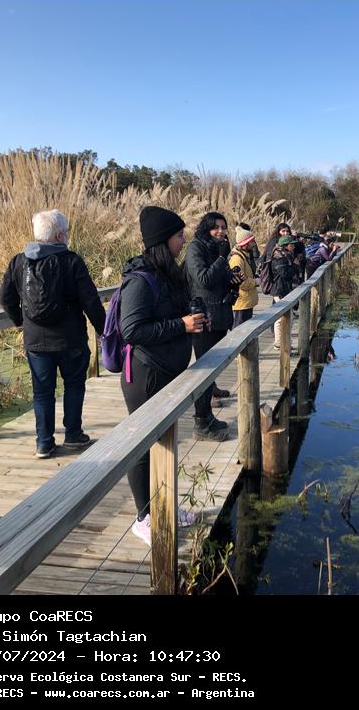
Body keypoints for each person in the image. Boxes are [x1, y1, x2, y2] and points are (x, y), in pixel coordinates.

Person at [117, 206, 205, 545]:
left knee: (164, 443)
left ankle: (164, 505)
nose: (184, 240)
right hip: (145, 375)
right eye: (179, 235)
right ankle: (144, 517)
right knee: (142, 447)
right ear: (163, 240)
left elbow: (171, 316)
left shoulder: (168, 273)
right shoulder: (140, 279)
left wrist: (193, 320)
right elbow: (132, 330)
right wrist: (181, 325)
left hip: (167, 372)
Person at [0, 209, 106, 458]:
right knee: (74, 385)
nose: (67, 235)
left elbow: (5, 298)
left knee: (42, 392)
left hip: (36, 341)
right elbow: (90, 301)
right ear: (59, 235)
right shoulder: (72, 261)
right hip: (71, 339)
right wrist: (104, 331)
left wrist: (21, 322)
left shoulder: (19, 261)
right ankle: (73, 435)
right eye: (66, 232)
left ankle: (44, 442)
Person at [184, 211, 240, 437]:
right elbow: (203, 279)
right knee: (204, 372)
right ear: (206, 228)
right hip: (203, 318)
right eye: (215, 227)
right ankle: (201, 422)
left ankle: (207, 416)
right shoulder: (195, 248)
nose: (221, 231)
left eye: (223, 227)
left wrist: (232, 282)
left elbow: (217, 279)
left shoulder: (218, 248)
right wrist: (222, 259)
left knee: (212, 370)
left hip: (219, 316)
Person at [270, 235, 297, 351]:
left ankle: (284, 342)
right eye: (292, 245)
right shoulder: (279, 258)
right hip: (280, 290)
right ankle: (279, 343)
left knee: (287, 317)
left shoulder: (285, 256)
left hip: (284, 289)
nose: (294, 247)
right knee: (281, 319)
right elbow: (285, 274)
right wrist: (295, 265)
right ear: (286, 246)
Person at [229, 226, 259, 328]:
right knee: (239, 332)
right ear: (245, 243)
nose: (254, 244)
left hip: (246, 303)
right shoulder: (237, 259)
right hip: (241, 304)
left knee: (246, 331)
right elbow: (240, 282)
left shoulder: (244, 256)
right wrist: (255, 282)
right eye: (252, 242)